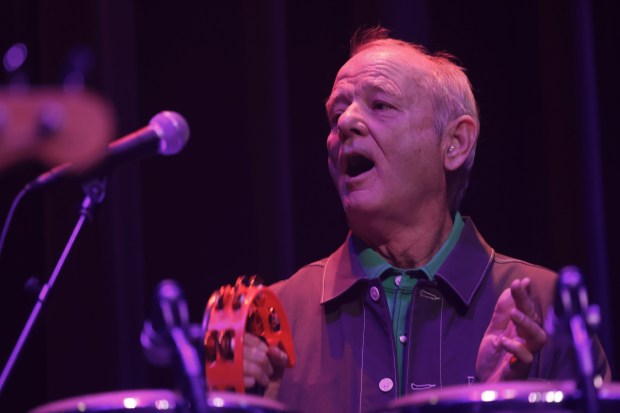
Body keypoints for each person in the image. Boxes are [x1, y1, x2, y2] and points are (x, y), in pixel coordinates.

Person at [241, 27, 610, 412]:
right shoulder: (274, 317)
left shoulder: (545, 307)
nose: (346, 122)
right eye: (336, 113)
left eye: (381, 105)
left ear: (455, 143)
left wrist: (496, 403)